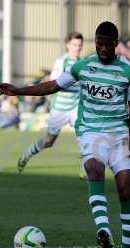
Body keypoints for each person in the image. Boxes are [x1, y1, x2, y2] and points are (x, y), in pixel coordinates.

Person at [0, 21, 130, 248]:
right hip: (90, 130)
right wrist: (18, 91)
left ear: (116, 44)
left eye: (107, 45)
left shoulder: (128, 72)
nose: (102, 49)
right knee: (94, 168)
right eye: (99, 44)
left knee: (125, 187)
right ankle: (103, 230)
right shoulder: (83, 66)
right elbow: (53, 85)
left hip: (118, 133)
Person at [16, 32, 84, 173]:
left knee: (85, 136)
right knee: (49, 141)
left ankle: (85, 170)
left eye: (79, 45)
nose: (77, 48)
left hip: (76, 107)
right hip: (59, 107)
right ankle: (26, 155)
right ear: (67, 45)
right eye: (74, 45)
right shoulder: (61, 62)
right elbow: (56, 84)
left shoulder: (82, 64)